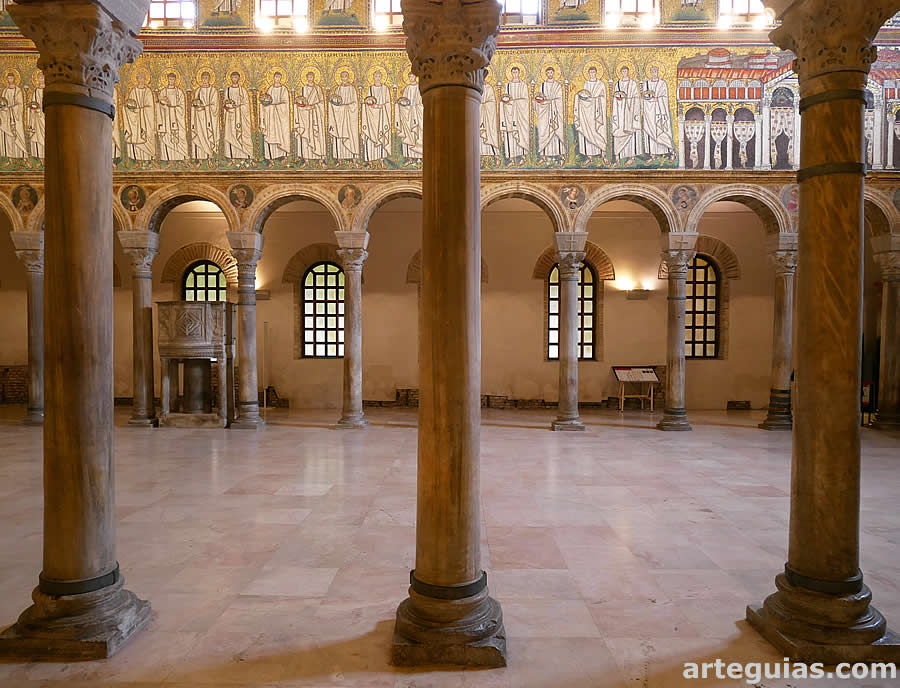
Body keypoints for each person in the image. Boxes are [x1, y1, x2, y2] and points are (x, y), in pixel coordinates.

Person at [574, 66, 607, 160]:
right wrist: (579, 97)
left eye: (593, 72)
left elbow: (603, 98)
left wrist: (595, 100)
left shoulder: (601, 84)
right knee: (587, 130)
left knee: (598, 130)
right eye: (590, 72)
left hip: (597, 113)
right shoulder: (586, 83)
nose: (592, 74)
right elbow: (585, 95)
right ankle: (589, 156)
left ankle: (603, 154)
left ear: (596, 72)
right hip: (587, 112)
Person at [642, 65, 674, 157]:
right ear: (650, 72)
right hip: (649, 111)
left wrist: (658, 99)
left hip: (660, 111)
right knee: (650, 131)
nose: (654, 73)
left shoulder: (662, 83)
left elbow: (665, 97)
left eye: (655, 71)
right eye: (652, 71)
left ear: (658, 72)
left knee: (660, 131)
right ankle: (653, 155)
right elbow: (644, 97)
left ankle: (669, 151)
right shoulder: (646, 83)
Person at [123, 70, 156, 161]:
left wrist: (140, 110)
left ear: (145, 79)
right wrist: (129, 108)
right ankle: (137, 160)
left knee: (147, 135)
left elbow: (150, 107)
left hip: (145, 120)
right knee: (135, 135)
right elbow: (130, 104)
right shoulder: (133, 91)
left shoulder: (148, 91)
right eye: (139, 78)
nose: (141, 80)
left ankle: (148, 159)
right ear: (137, 79)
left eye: (142, 78)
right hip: (135, 120)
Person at [295, 71, 326, 161]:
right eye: (308, 76)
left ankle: (320, 159)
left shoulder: (318, 89)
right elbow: (299, 101)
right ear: (306, 77)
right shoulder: (303, 89)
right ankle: (306, 159)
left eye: (311, 76)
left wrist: (313, 106)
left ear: (314, 77)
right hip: (305, 116)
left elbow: (322, 102)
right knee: (306, 136)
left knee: (316, 136)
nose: (310, 78)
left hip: (315, 115)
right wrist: (303, 106)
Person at [611, 66, 641, 162]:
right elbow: (615, 96)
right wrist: (619, 99)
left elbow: (636, 97)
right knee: (619, 131)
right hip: (620, 111)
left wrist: (628, 100)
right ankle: (619, 156)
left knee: (630, 133)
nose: (624, 72)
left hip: (630, 110)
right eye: (623, 71)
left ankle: (631, 157)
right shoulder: (618, 84)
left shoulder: (632, 83)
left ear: (628, 72)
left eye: (626, 71)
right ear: (621, 72)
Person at [500, 66, 529, 163]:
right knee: (510, 134)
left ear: (519, 72)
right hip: (509, 114)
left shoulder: (523, 85)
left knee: (520, 133)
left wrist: (514, 102)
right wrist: (505, 102)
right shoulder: (508, 86)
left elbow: (526, 100)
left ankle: (523, 157)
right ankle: (511, 159)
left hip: (520, 114)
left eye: (516, 72)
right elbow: (505, 98)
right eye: (513, 72)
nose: (515, 73)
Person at [156, 72, 188, 161]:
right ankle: (169, 159)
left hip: (177, 119)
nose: (171, 81)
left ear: (175, 80)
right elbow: (159, 105)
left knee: (179, 137)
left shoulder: (179, 92)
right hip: (166, 119)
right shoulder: (163, 92)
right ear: (167, 79)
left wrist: (172, 107)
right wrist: (163, 104)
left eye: (173, 79)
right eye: (170, 79)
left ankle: (181, 158)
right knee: (166, 138)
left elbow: (182, 107)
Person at [329, 70, 360, 160]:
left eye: (346, 76)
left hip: (350, 116)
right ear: (340, 77)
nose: (344, 78)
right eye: (342, 76)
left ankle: (354, 159)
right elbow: (335, 102)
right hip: (340, 117)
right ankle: (340, 159)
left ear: (348, 77)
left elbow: (355, 103)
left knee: (351, 135)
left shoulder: (352, 89)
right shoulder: (337, 89)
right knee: (339, 135)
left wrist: (346, 107)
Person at [260, 71, 291, 160]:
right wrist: (265, 104)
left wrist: (275, 106)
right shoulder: (270, 89)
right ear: (273, 78)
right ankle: (271, 158)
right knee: (271, 134)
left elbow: (286, 104)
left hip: (280, 117)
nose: (277, 79)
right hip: (271, 117)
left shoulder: (284, 89)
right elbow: (267, 100)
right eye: (275, 77)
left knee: (282, 134)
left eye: (278, 77)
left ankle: (284, 157)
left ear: (280, 78)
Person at [535, 66, 564, 161]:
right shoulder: (542, 85)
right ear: (546, 74)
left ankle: (560, 155)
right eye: (548, 73)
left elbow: (560, 100)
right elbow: (538, 97)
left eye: (551, 72)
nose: (550, 74)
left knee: (556, 131)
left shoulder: (557, 85)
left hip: (555, 112)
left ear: (554, 73)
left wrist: (550, 102)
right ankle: (543, 156)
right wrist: (538, 101)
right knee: (544, 131)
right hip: (545, 113)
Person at [362, 70, 391, 164]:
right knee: (370, 137)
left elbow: (388, 103)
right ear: (373, 77)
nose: (377, 77)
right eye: (376, 76)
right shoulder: (370, 89)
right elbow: (366, 102)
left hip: (382, 116)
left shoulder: (385, 88)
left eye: (379, 76)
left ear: (381, 77)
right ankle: (370, 160)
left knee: (381, 135)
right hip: (371, 117)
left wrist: (381, 106)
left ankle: (382, 160)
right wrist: (370, 105)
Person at [223, 71, 253, 160]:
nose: (234, 79)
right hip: (231, 116)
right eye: (233, 77)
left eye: (236, 77)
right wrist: (227, 106)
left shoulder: (243, 90)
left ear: (239, 78)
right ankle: (232, 158)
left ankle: (244, 156)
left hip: (240, 116)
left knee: (242, 135)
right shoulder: (227, 90)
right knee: (231, 134)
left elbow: (246, 104)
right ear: (231, 78)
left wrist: (238, 106)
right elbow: (225, 102)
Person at [191, 71, 220, 161]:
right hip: (199, 117)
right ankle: (200, 160)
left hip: (208, 118)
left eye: (206, 78)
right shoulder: (198, 90)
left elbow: (215, 105)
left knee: (208, 136)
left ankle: (209, 158)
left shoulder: (213, 90)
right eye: (203, 78)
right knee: (199, 136)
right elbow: (194, 103)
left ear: (209, 79)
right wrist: (195, 104)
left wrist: (205, 107)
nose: (204, 80)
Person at [396, 72, 423, 160]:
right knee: (408, 133)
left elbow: (422, 101)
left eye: (413, 76)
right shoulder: (407, 88)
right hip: (408, 115)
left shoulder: (419, 87)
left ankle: (420, 158)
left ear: (416, 77)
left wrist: (415, 107)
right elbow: (404, 100)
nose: (411, 78)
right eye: (410, 77)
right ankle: (410, 159)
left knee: (417, 134)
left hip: (417, 114)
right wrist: (401, 104)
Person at [0, 72, 26, 159]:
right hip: (6, 117)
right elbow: (2, 103)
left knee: (18, 135)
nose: (10, 80)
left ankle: (22, 156)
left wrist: (11, 108)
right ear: (6, 79)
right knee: (8, 137)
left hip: (16, 117)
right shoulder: (5, 90)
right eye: (8, 78)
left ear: (14, 79)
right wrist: (3, 108)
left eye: (11, 78)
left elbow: (20, 104)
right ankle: (9, 158)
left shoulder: (18, 90)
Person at [480, 81, 500, 158]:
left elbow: (492, 102)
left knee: (490, 133)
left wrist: (483, 105)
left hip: (488, 116)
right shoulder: (476, 87)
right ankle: (481, 153)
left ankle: (495, 155)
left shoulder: (489, 88)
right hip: (479, 113)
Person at [27, 70, 44, 159]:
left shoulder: (49, 90)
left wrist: (41, 111)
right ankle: (41, 159)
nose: (41, 79)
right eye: (39, 78)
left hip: (46, 118)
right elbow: (33, 104)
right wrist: (33, 109)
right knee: (37, 137)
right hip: (37, 119)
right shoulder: (36, 91)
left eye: (42, 77)